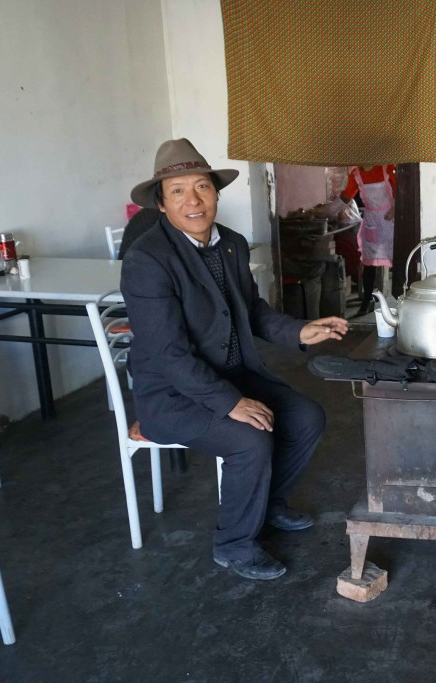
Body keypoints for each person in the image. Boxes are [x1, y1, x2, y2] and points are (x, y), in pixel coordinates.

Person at [121, 138, 349, 581]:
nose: (193, 200)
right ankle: (233, 545)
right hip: (171, 395)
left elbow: (252, 311)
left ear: (216, 193)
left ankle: (267, 507)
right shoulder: (148, 260)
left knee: (306, 417)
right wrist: (229, 403)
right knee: (250, 439)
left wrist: (300, 330)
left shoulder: (232, 245)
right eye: (178, 191)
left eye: (202, 187)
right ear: (162, 203)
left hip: (231, 375)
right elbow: (169, 354)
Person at [337, 164, 396, 316]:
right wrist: (329, 210)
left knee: (398, 259)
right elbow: (346, 196)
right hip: (372, 221)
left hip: (390, 221)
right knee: (369, 263)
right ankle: (367, 301)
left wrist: (395, 208)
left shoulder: (387, 168)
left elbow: (400, 191)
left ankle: (401, 299)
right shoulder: (356, 174)